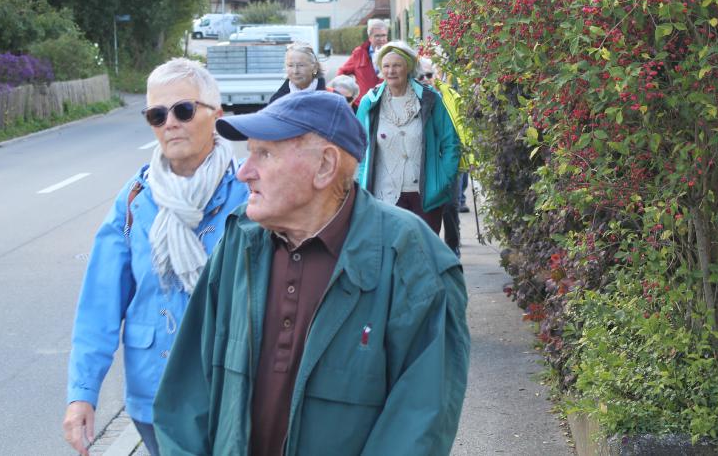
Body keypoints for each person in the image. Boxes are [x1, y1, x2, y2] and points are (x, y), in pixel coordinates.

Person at [152, 90, 469, 456]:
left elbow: (418, 426)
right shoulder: (241, 241)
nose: (243, 172)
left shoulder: (413, 259)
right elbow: (186, 395)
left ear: (324, 166)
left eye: (264, 154)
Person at [63, 58, 248, 456]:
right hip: (154, 394)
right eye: (157, 115)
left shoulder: (249, 193)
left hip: (230, 391)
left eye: (184, 110)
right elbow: (100, 302)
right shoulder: (136, 198)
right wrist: (82, 393)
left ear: (216, 116)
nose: (170, 123)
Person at [356, 41, 460, 236]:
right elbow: (357, 147)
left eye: (397, 65)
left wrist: (443, 180)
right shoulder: (370, 102)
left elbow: (450, 143)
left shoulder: (429, 99)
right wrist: (360, 183)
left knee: (424, 250)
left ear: (409, 67)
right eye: (386, 66)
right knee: (391, 251)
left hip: (426, 197)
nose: (391, 71)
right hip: (384, 197)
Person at [418, 57, 469, 257]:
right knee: (426, 209)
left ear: (436, 75)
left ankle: (452, 248)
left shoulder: (450, 96)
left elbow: (461, 125)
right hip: (423, 163)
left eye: (428, 75)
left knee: (450, 206)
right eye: (420, 76)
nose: (425, 79)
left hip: (448, 159)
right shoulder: (412, 99)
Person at [337, 17, 388, 107]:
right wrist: (349, 93)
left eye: (384, 35)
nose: (381, 39)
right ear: (370, 37)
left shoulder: (393, 54)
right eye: (377, 36)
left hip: (386, 104)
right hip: (363, 105)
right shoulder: (359, 53)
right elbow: (341, 73)